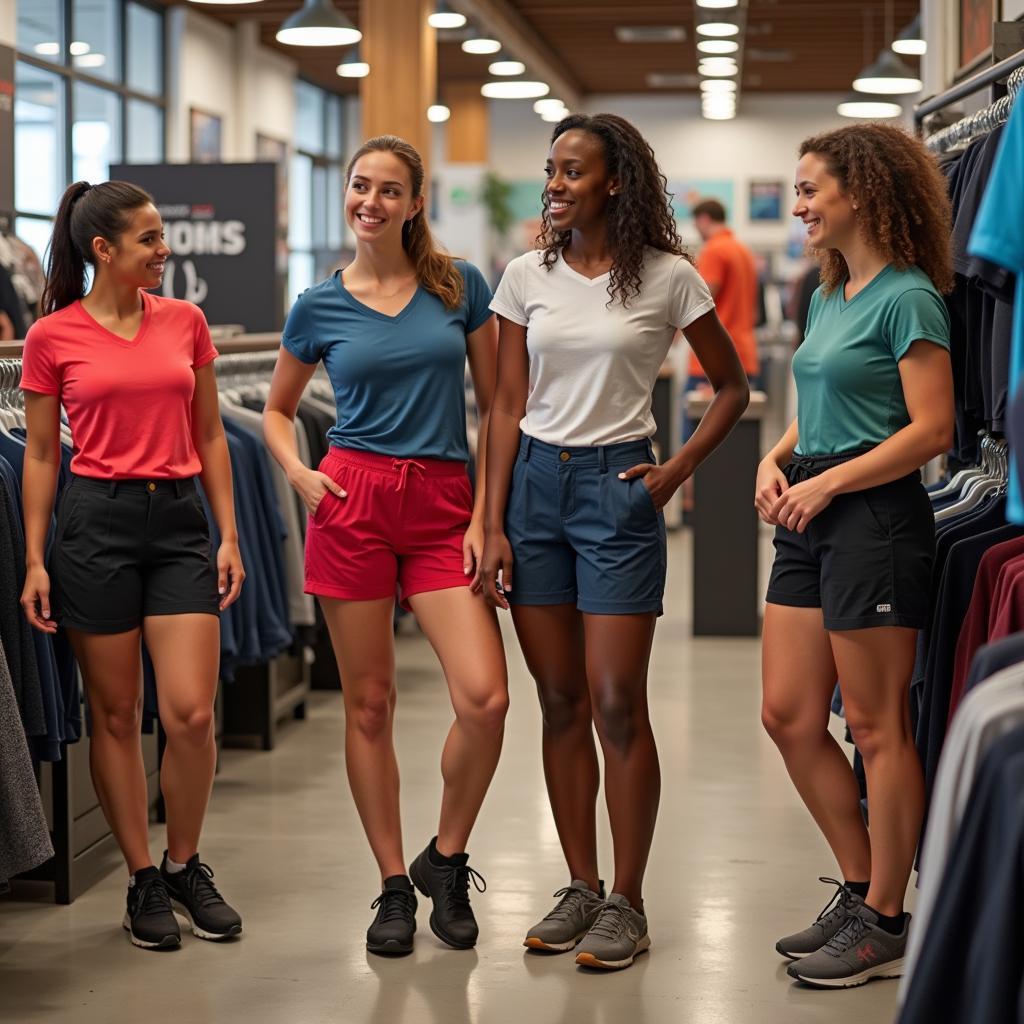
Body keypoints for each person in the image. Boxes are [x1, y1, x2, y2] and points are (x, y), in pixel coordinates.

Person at [478, 113, 749, 971]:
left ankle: (628, 899)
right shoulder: (524, 276)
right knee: (558, 699)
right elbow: (505, 406)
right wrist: (490, 521)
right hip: (534, 493)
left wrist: (679, 470)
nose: (554, 185)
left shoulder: (670, 279)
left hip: (620, 487)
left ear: (615, 182)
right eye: (550, 171)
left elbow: (733, 387)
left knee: (616, 699)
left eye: (572, 172)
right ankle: (582, 884)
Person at [263, 135, 508, 957]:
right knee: (369, 704)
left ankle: (446, 855)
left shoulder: (459, 287)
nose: (370, 201)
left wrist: (486, 516)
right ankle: (392, 886)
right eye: (359, 185)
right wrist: (299, 472)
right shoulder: (317, 305)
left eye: (389, 189)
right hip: (352, 500)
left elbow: (496, 405)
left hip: (444, 506)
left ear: (415, 202)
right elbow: (273, 410)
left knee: (486, 698)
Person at [19, 180, 246, 950]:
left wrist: (228, 535)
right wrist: (34, 559)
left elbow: (213, 434)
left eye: (163, 234)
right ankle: (143, 878)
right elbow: (43, 454)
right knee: (114, 716)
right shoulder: (53, 336)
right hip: (94, 526)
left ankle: (186, 863)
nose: (165, 249)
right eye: (150, 239)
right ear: (103, 250)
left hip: (180, 518)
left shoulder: (186, 321)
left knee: (189, 713)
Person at [756, 124, 955, 988]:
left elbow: (932, 429)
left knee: (876, 728)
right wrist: (778, 456)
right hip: (808, 506)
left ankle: (884, 917)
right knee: (789, 715)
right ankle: (860, 886)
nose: (798, 205)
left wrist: (830, 484)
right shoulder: (830, 291)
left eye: (809, 190)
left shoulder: (909, 296)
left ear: (862, 193)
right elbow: (823, 399)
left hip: (872, 517)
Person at [688, 198, 760, 388]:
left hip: (714, 359)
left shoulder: (714, 250)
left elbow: (700, 301)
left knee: (695, 417)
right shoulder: (743, 250)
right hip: (744, 354)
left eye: (696, 225)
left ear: (704, 219)